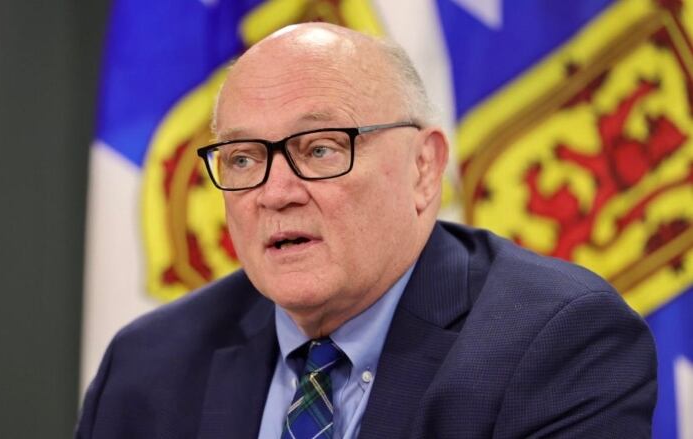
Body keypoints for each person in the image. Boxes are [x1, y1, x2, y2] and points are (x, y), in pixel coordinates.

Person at [76, 23, 656, 439]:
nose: (275, 193)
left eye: (321, 148)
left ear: (423, 168)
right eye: (245, 158)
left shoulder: (557, 342)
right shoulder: (150, 366)